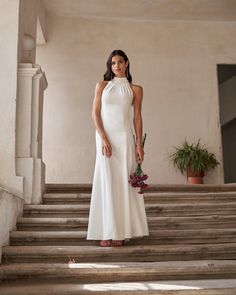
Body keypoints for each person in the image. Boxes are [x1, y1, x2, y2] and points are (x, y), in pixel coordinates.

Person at [87, 49, 149, 247]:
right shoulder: (102, 86)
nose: (116, 66)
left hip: (124, 139)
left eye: (120, 62)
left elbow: (137, 118)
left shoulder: (136, 89)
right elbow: (95, 114)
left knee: (122, 183)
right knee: (106, 181)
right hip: (105, 139)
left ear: (127, 63)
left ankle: (119, 233)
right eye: (113, 63)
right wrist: (103, 138)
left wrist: (139, 144)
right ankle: (106, 232)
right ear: (110, 66)